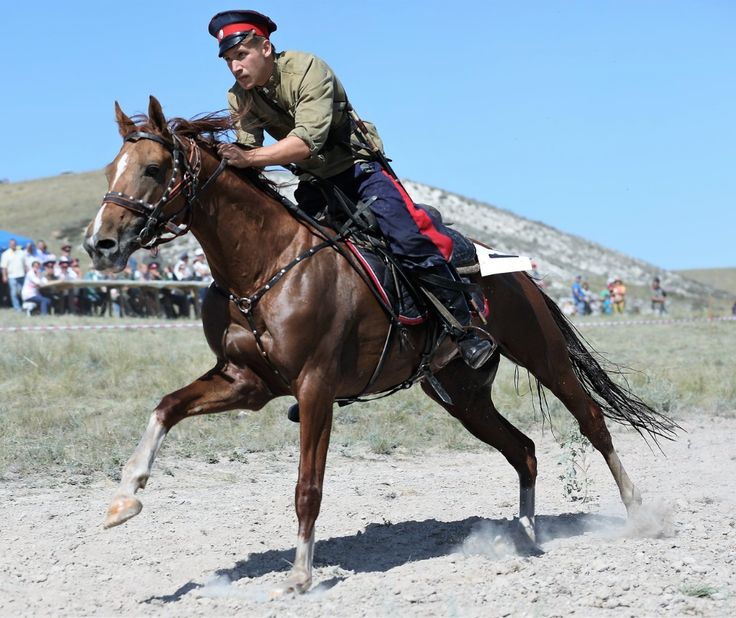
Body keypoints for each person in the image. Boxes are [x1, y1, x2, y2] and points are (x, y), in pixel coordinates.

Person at [207, 9, 493, 369]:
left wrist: (248, 158)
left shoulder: (307, 68)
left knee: (405, 238)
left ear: (265, 47)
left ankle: (463, 329)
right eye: (229, 60)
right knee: (296, 265)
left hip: (359, 171)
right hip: (314, 183)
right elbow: (248, 149)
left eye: (241, 55)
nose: (235, 67)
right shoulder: (239, 96)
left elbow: (305, 143)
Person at [1, 238, 27, 312]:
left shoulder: (21, 253)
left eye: (14, 244)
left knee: (22, 292)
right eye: (12, 244)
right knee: (13, 293)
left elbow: (25, 264)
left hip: (21, 275)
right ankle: (17, 308)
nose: (13, 245)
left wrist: (27, 273)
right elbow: (4, 267)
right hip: (12, 276)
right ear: (9, 244)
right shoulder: (5, 254)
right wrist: (4, 276)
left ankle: (24, 306)